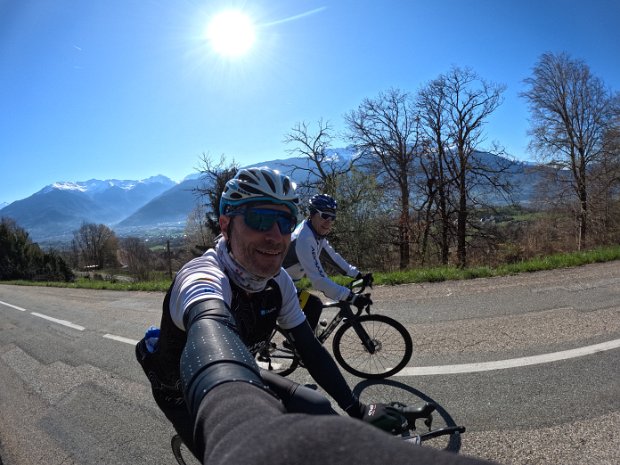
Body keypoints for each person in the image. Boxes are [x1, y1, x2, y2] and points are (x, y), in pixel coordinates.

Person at [135, 167, 409, 461]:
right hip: (183, 396)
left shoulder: (279, 283)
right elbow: (211, 328)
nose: (276, 236)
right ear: (226, 225)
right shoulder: (202, 277)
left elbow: (310, 350)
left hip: (244, 374)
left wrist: (357, 411)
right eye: (260, 219)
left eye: (285, 221)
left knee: (317, 406)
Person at [283, 193, 373, 331]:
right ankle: (300, 346)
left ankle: (298, 341)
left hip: (286, 283)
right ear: (312, 214)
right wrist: (352, 298)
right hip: (275, 286)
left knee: (311, 310)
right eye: (325, 216)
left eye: (333, 218)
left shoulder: (316, 233)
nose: (329, 222)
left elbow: (333, 257)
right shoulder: (305, 238)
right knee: (314, 305)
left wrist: (358, 275)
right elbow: (318, 280)